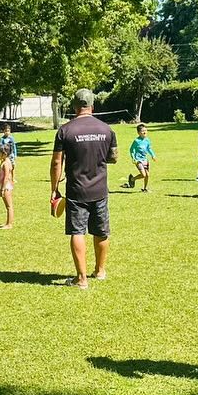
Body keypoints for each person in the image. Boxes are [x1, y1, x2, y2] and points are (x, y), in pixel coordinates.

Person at [50, 89, 118, 288]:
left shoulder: (65, 130)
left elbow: (56, 163)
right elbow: (113, 158)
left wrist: (54, 188)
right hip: (100, 190)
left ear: (74, 106)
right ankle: (100, 270)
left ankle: (81, 279)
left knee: (77, 232)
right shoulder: (107, 129)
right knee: (101, 231)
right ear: (92, 106)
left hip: (76, 191)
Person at [127, 123, 156, 192]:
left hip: (145, 160)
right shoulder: (136, 141)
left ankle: (145, 188)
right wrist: (133, 158)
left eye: (146, 130)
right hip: (138, 160)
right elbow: (131, 150)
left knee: (147, 175)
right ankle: (132, 179)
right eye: (143, 131)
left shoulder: (147, 140)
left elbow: (149, 149)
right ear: (138, 133)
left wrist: (153, 155)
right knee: (143, 174)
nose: (145, 132)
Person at [0, 142, 15, 228]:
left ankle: (9, 224)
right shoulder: (3, 162)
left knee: (9, 206)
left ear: (4, 154)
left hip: (6, 187)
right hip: (3, 186)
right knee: (7, 206)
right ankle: (7, 222)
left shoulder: (6, 164)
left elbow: (6, 177)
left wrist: (3, 188)